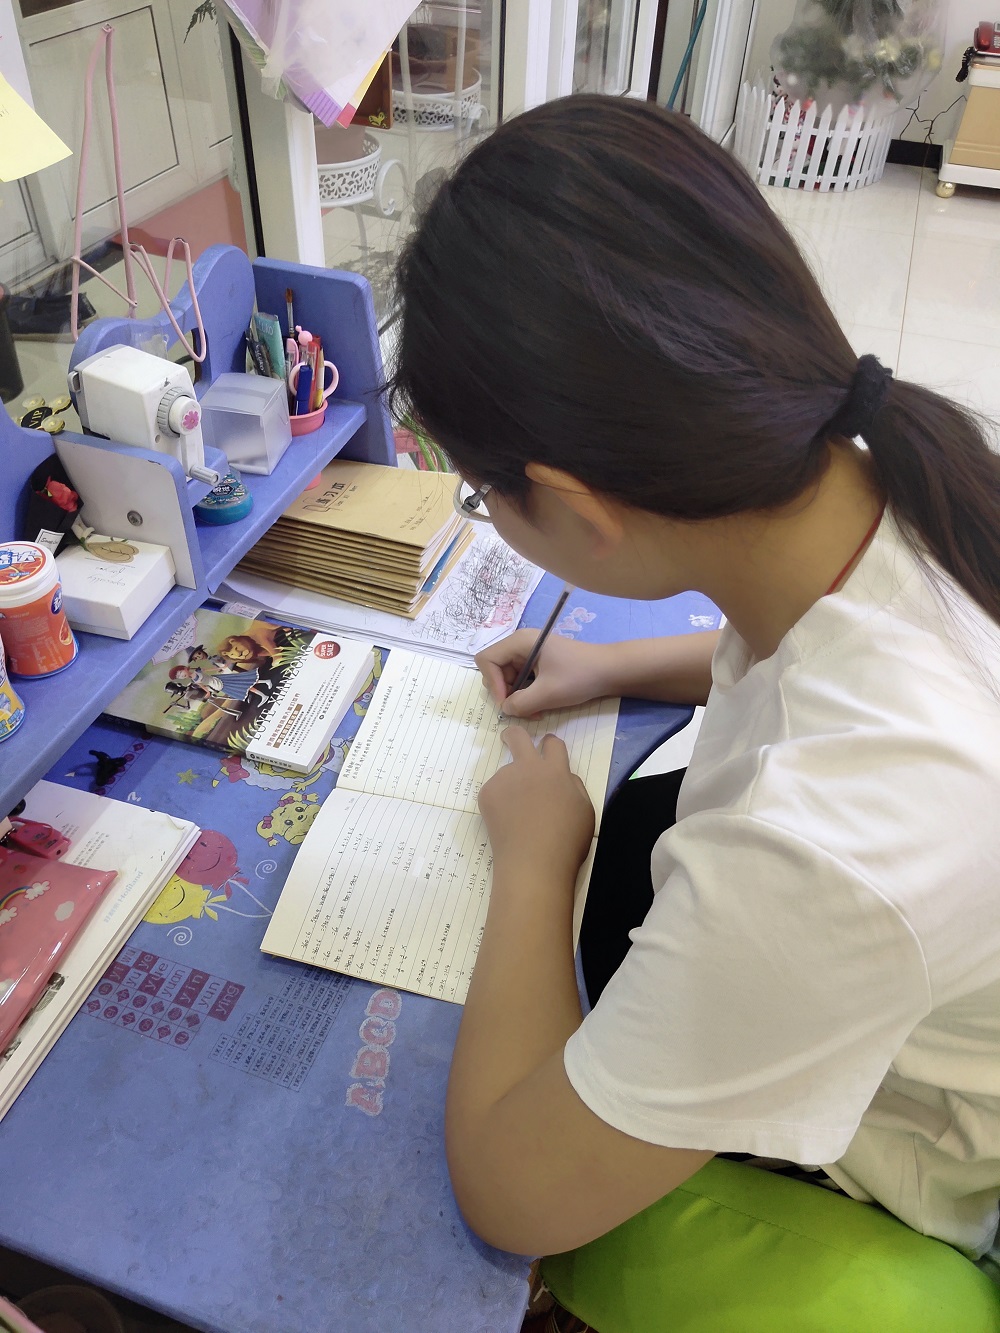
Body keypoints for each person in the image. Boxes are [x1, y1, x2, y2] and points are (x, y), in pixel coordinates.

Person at [391, 96, 1000, 1324]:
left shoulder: (829, 848)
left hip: (878, 1166)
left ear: (575, 506)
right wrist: (614, 667)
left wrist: (537, 859)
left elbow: (511, 1192)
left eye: (479, 495)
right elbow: (809, 646)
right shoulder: (882, 467)